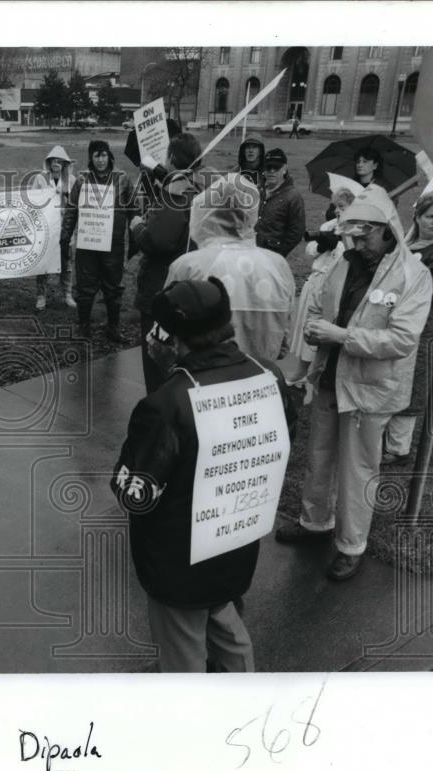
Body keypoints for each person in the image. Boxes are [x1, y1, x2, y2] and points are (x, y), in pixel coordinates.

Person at [111, 278, 296, 672]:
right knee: (225, 625)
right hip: (236, 543)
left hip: (178, 563)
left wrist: (167, 376)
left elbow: (134, 495)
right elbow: (284, 438)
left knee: (183, 652)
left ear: (171, 339)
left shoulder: (167, 404)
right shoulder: (270, 375)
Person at [275, 185, 433, 582]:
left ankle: (351, 545)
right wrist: (314, 328)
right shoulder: (344, 262)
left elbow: (401, 340)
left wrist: (340, 335)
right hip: (330, 377)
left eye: (365, 235)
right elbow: (320, 302)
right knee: (320, 457)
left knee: (358, 467)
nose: (357, 243)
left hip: (371, 387)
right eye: (352, 235)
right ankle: (315, 524)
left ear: (388, 230)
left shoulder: (413, 275)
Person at [165, 173, 295, 363]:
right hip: (261, 380)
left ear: (205, 214)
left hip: (205, 381)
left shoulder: (188, 265)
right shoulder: (277, 265)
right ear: (250, 214)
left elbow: (166, 340)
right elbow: (284, 342)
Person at [382, 189, 433, 463]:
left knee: (413, 381)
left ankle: (398, 448)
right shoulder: (413, 242)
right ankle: (386, 437)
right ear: (418, 217)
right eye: (429, 216)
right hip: (402, 320)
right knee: (395, 374)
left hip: (425, 324)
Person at [130, 133, 204, 392]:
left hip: (161, 292)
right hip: (188, 289)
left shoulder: (176, 192)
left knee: (157, 361)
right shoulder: (196, 188)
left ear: (172, 158)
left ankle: (162, 418)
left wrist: (138, 226)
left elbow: (157, 241)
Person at [286, 179, 361, 387]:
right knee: (307, 330)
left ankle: (318, 373)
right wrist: (322, 245)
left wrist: (342, 242)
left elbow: (351, 258)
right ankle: (300, 371)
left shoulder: (357, 230)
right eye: (335, 206)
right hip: (317, 282)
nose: (337, 210)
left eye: (342, 207)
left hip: (336, 287)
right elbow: (309, 250)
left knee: (325, 331)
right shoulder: (329, 226)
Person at [61, 139, 137, 341]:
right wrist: (65, 236)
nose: (101, 160)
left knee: (113, 287)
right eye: (96, 155)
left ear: (109, 156)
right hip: (88, 243)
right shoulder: (82, 180)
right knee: (85, 286)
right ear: (90, 158)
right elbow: (71, 209)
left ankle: (113, 328)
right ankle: (83, 327)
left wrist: (135, 237)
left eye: (104, 155)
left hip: (114, 243)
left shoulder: (122, 179)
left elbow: (134, 210)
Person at [28, 145, 76, 311]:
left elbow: (77, 202)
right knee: (44, 262)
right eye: (53, 160)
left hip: (65, 227)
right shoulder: (40, 179)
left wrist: (66, 193)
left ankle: (68, 294)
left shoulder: (71, 180)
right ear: (48, 162)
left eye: (60, 161)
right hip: (46, 227)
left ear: (65, 163)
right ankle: (41, 296)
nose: (56, 163)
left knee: (66, 262)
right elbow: (33, 199)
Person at [255, 148, 306, 258]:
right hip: (251, 252)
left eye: (276, 167)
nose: (272, 171)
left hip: (273, 256)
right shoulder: (257, 191)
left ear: (284, 169)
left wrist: (279, 253)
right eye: (268, 167)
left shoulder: (293, 197)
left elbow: (297, 232)